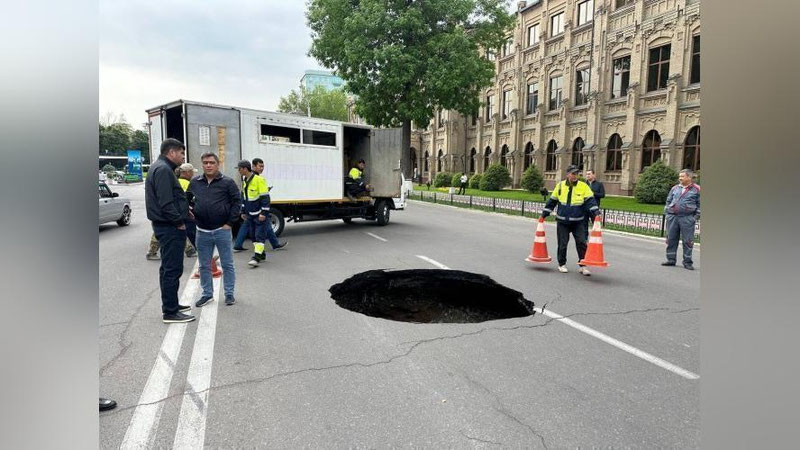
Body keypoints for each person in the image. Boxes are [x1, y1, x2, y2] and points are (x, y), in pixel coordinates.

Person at [145, 138, 195, 323]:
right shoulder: (164, 170)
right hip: (169, 226)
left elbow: (171, 197)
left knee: (168, 268)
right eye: (181, 153)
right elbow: (165, 202)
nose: (183, 156)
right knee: (172, 269)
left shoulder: (160, 167)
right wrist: (178, 222)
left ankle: (172, 304)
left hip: (165, 225)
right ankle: (171, 312)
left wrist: (185, 209)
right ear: (172, 152)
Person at [190, 152, 241, 307]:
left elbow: (237, 203)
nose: (208, 165)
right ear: (202, 164)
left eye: (211, 162)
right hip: (202, 231)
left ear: (218, 164)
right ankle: (207, 294)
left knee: (227, 264)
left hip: (222, 230)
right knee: (204, 265)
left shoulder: (228, 183)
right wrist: (189, 210)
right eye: (205, 162)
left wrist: (230, 223)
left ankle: (229, 294)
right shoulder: (195, 182)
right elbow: (186, 199)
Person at [541, 165, 600, 275]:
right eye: (573, 173)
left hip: (578, 222)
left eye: (576, 173)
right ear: (567, 174)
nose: (575, 176)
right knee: (563, 244)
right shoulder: (560, 186)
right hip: (563, 222)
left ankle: (583, 265)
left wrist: (596, 214)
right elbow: (552, 202)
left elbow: (591, 202)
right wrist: (544, 215)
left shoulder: (583, 186)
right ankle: (562, 264)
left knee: (582, 243)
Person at [233, 158, 286, 252]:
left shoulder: (248, 177)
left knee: (254, 226)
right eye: (260, 166)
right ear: (253, 166)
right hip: (255, 209)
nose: (262, 168)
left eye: (263, 166)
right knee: (263, 226)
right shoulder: (254, 177)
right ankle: (261, 252)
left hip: (252, 209)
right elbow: (258, 196)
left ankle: (239, 245)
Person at [146, 163, 197, 259]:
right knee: (180, 229)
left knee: (161, 232)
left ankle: (152, 252)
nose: (193, 175)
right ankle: (189, 250)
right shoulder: (186, 183)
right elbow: (184, 199)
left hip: (164, 212)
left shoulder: (174, 180)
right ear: (187, 173)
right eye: (191, 172)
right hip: (173, 212)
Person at [662, 169, 700, 270]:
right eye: (680, 176)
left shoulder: (697, 189)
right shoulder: (675, 188)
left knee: (687, 241)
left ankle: (687, 262)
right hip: (672, 217)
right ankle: (671, 259)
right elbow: (668, 200)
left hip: (687, 218)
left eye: (682, 176)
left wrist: (694, 218)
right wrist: (667, 211)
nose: (680, 178)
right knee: (671, 239)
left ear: (689, 177)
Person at [237, 160, 271, 267]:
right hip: (249, 214)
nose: (238, 171)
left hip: (259, 214)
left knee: (259, 236)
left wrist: (264, 213)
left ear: (245, 169)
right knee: (253, 236)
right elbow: (244, 198)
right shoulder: (245, 181)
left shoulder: (259, 180)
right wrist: (243, 211)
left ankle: (256, 257)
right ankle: (262, 254)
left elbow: (265, 198)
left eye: (239, 169)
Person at [583, 169, 606, 240]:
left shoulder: (599, 184)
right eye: (587, 174)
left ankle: (596, 237)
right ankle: (585, 237)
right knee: (584, 224)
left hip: (594, 207)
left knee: (595, 223)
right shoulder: (583, 184)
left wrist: (593, 193)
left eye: (589, 174)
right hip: (584, 207)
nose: (587, 175)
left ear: (593, 175)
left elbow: (602, 195)